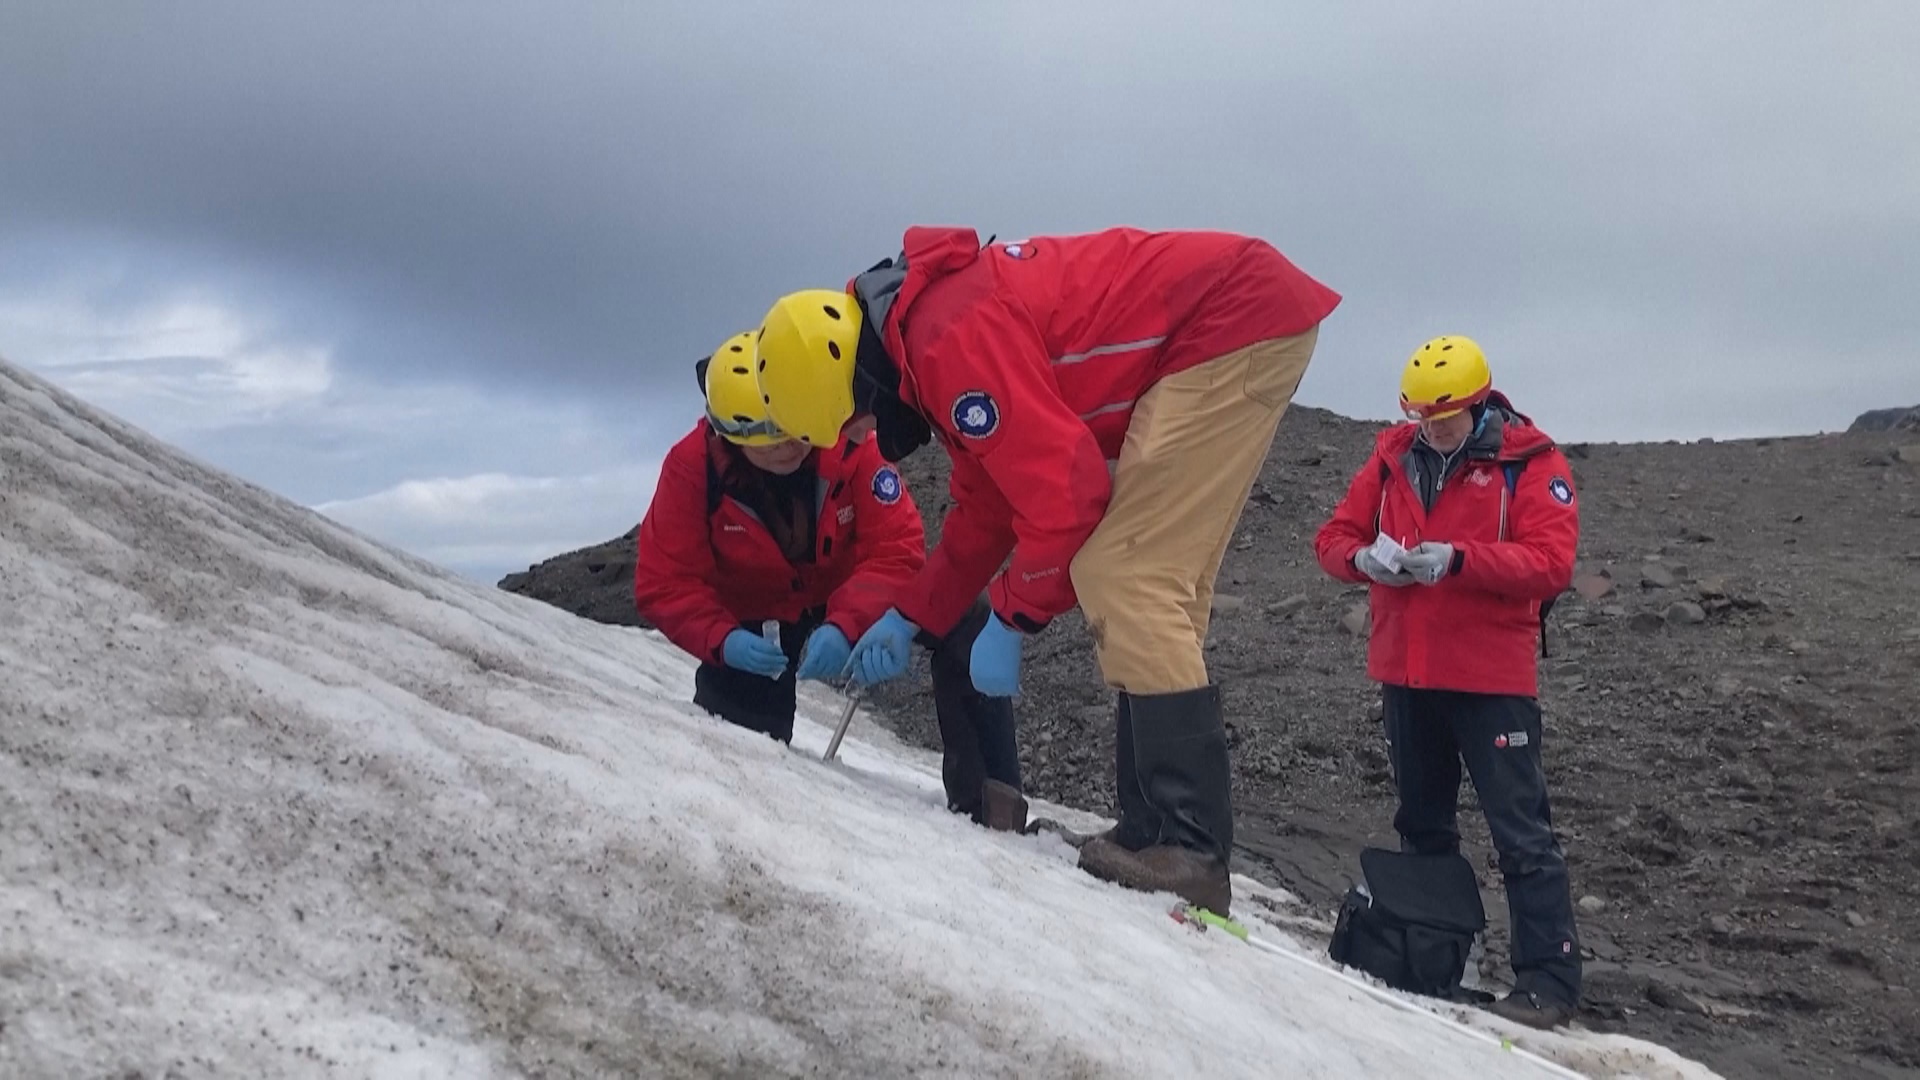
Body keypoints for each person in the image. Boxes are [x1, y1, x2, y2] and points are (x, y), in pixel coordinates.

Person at [748, 226, 1342, 916]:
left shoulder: (947, 340)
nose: (861, 438)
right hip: (1236, 314)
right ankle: (1153, 833)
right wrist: (910, 616)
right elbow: (989, 511)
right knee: (1152, 580)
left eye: (850, 424)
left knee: (1128, 574)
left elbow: (1068, 495)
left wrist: (1011, 614)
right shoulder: (923, 336)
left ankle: (1191, 851)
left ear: (854, 388)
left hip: (1231, 319)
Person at [632, 331, 1028, 830]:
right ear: (732, 434)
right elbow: (665, 581)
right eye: (771, 442)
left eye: (796, 431)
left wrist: (848, 622)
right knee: (742, 768)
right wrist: (722, 639)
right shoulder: (692, 469)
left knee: (964, 617)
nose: (791, 448)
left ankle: (992, 804)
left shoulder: (848, 443)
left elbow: (897, 549)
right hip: (751, 624)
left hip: (842, 600)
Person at [1312, 335, 1583, 1029]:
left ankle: (1547, 982)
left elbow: (1550, 564)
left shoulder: (1533, 464)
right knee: (1422, 823)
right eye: (1423, 417)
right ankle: (1436, 955)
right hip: (1409, 670)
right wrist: (1365, 560)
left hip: (1490, 676)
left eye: (1447, 419)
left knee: (1520, 831)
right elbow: (1333, 537)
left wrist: (1460, 559)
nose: (1433, 430)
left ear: (1480, 403)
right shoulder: (1392, 455)